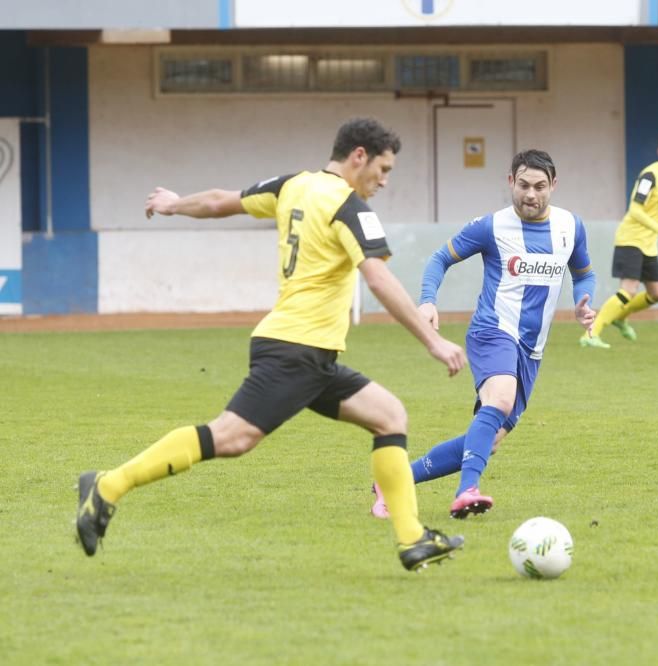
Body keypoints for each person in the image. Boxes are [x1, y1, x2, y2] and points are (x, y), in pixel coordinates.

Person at [75, 117, 468, 571]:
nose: (384, 179)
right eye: (384, 168)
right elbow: (377, 277)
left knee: (390, 417)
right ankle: (106, 486)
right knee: (231, 437)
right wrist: (433, 341)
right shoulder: (350, 206)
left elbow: (223, 201)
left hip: (309, 353)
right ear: (359, 155)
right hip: (295, 349)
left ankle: (412, 539)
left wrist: (175, 204)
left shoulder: (293, 186)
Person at [371, 149, 596, 519]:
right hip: (493, 330)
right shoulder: (490, 227)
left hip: (532, 348)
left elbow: (583, 271)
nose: (531, 194)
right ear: (510, 181)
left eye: (540, 186)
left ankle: (394, 481)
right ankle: (467, 491)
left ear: (554, 186)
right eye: (523, 184)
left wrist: (584, 299)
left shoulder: (571, 227)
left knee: (488, 440)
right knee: (501, 400)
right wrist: (427, 301)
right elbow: (439, 258)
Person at [580, 129, 658, 349]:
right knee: (628, 290)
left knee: (656, 294)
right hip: (630, 239)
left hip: (649, 244)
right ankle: (591, 334)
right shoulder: (649, 176)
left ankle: (619, 317)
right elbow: (635, 210)